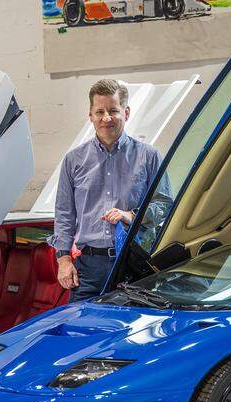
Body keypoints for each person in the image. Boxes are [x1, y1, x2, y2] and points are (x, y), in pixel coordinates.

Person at [50, 79, 166, 302]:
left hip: (133, 266)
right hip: (89, 269)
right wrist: (63, 260)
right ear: (90, 115)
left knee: (132, 334)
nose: (106, 118)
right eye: (99, 111)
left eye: (113, 110)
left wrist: (131, 216)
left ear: (126, 112)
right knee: (82, 333)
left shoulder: (149, 157)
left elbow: (164, 206)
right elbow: (64, 214)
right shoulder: (74, 160)